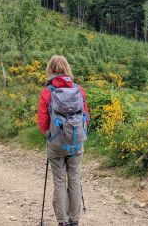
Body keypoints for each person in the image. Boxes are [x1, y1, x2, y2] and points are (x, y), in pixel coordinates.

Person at [37, 55, 89, 226]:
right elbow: (86, 118)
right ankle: (74, 221)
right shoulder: (78, 89)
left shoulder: (47, 92)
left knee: (59, 181)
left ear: (50, 70)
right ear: (67, 68)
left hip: (56, 144)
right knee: (74, 179)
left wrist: (50, 136)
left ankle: (63, 222)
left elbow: (42, 122)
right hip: (76, 143)